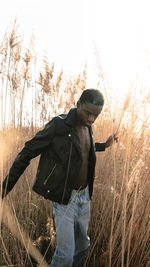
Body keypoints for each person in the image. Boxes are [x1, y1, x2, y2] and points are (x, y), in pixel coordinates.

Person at [1, 89, 118, 266]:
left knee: (83, 246)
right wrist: (5, 188)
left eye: (96, 115)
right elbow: (27, 152)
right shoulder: (59, 125)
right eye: (88, 113)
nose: (92, 119)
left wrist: (104, 145)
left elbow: (84, 148)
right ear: (78, 103)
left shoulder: (88, 126)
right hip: (65, 199)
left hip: (84, 196)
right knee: (65, 255)